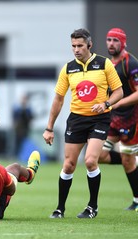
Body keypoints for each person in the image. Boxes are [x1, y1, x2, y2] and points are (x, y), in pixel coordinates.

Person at [43, 28, 123, 219]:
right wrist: (49, 128)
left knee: (90, 160)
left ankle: (92, 207)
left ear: (89, 45)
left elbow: (119, 92)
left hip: (100, 118)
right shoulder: (68, 68)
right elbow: (58, 99)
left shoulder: (104, 64)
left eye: (80, 46)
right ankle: (60, 208)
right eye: (73, 46)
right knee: (69, 165)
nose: (76, 49)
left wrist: (105, 104)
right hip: (76, 119)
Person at [98, 28, 138, 211]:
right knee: (98, 155)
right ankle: (129, 158)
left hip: (132, 118)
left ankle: (137, 200)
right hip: (113, 117)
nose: (111, 43)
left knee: (128, 159)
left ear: (123, 43)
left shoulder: (131, 63)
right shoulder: (107, 64)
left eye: (115, 40)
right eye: (109, 40)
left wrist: (118, 103)